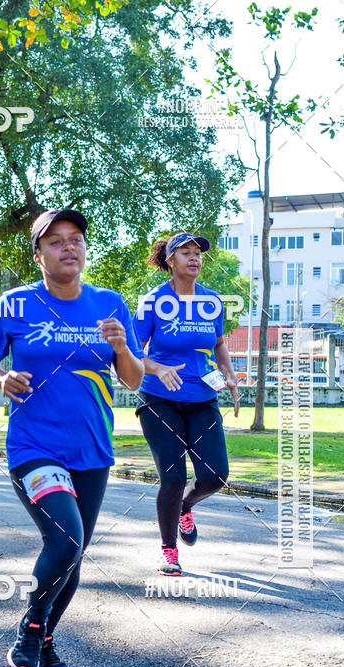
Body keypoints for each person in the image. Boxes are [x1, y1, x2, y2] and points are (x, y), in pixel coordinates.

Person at [0, 209, 144, 667]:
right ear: (38, 255)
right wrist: (0, 377)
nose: (69, 247)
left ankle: (45, 640)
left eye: (76, 239)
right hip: (33, 446)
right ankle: (31, 628)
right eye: (55, 241)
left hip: (92, 449)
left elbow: (132, 380)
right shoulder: (15, 304)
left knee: (74, 552)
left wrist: (122, 348)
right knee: (66, 539)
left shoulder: (110, 303)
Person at [133, 232, 240, 576]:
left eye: (198, 253)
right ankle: (169, 551)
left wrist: (229, 375)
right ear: (170, 261)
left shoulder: (212, 301)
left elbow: (218, 343)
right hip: (158, 398)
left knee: (215, 475)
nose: (194, 258)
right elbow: (132, 352)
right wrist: (158, 368)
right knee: (173, 476)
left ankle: (185, 507)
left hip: (202, 397)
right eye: (186, 252)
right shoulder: (153, 301)